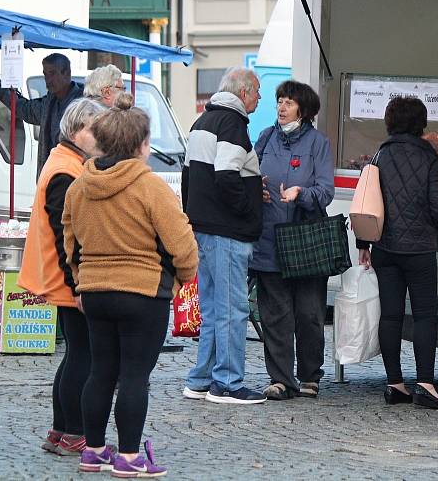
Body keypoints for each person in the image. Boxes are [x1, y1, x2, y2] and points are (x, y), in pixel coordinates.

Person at [63, 92, 198, 476]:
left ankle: (92, 450)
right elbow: (181, 242)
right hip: (143, 293)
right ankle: (127, 457)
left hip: (96, 292)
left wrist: (80, 282)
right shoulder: (150, 186)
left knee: (100, 370)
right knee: (135, 375)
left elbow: (70, 241)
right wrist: (184, 277)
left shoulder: (79, 187)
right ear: (141, 144)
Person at [17, 97, 106, 456]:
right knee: (82, 355)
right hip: (66, 276)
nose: (98, 137)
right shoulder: (66, 170)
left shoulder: (64, 161)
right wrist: (79, 284)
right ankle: (73, 433)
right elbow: (64, 234)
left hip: (61, 273)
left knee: (74, 354)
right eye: (93, 130)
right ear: (76, 130)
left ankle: (60, 431)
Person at [357, 96, 438, 410]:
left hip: (385, 247)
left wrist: (363, 244)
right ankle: (425, 383)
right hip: (420, 249)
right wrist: (437, 223)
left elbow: (366, 202)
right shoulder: (429, 157)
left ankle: (394, 383)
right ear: (420, 123)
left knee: (391, 315)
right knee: (424, 315)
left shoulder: (379, 155)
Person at [182, 68, 267, 405]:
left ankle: (201, 379)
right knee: (232, 309)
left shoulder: (201, 122)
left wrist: (194, 217)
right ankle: (228, 383)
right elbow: (226, 175)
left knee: (214, 309)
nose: (259, 97)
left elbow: (189, 175)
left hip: (203, 228)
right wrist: (248, 208)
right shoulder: (234, 125)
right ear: (243, 92)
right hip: (228, 231)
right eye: (257, 91)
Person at [250, 81, 335, 400]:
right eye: (279, 102)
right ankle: (281, 379)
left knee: (309, 314)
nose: (281, 108)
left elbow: (326, 190)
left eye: (288, 103)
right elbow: (247, 175)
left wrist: (302, 194)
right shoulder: (266, 138)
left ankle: (310, 375)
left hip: (305, 241)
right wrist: (253, 189)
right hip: (269, 238)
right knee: (274, 314)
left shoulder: (318, 143)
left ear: (305, 109)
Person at [0, 53, 84, 176]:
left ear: (66, 73)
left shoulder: (83, 104)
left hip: (73, 178)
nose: (48, 80)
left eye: (52, 73)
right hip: (48, 178)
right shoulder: (49, 103)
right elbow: (23, 108)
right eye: (45, 74)